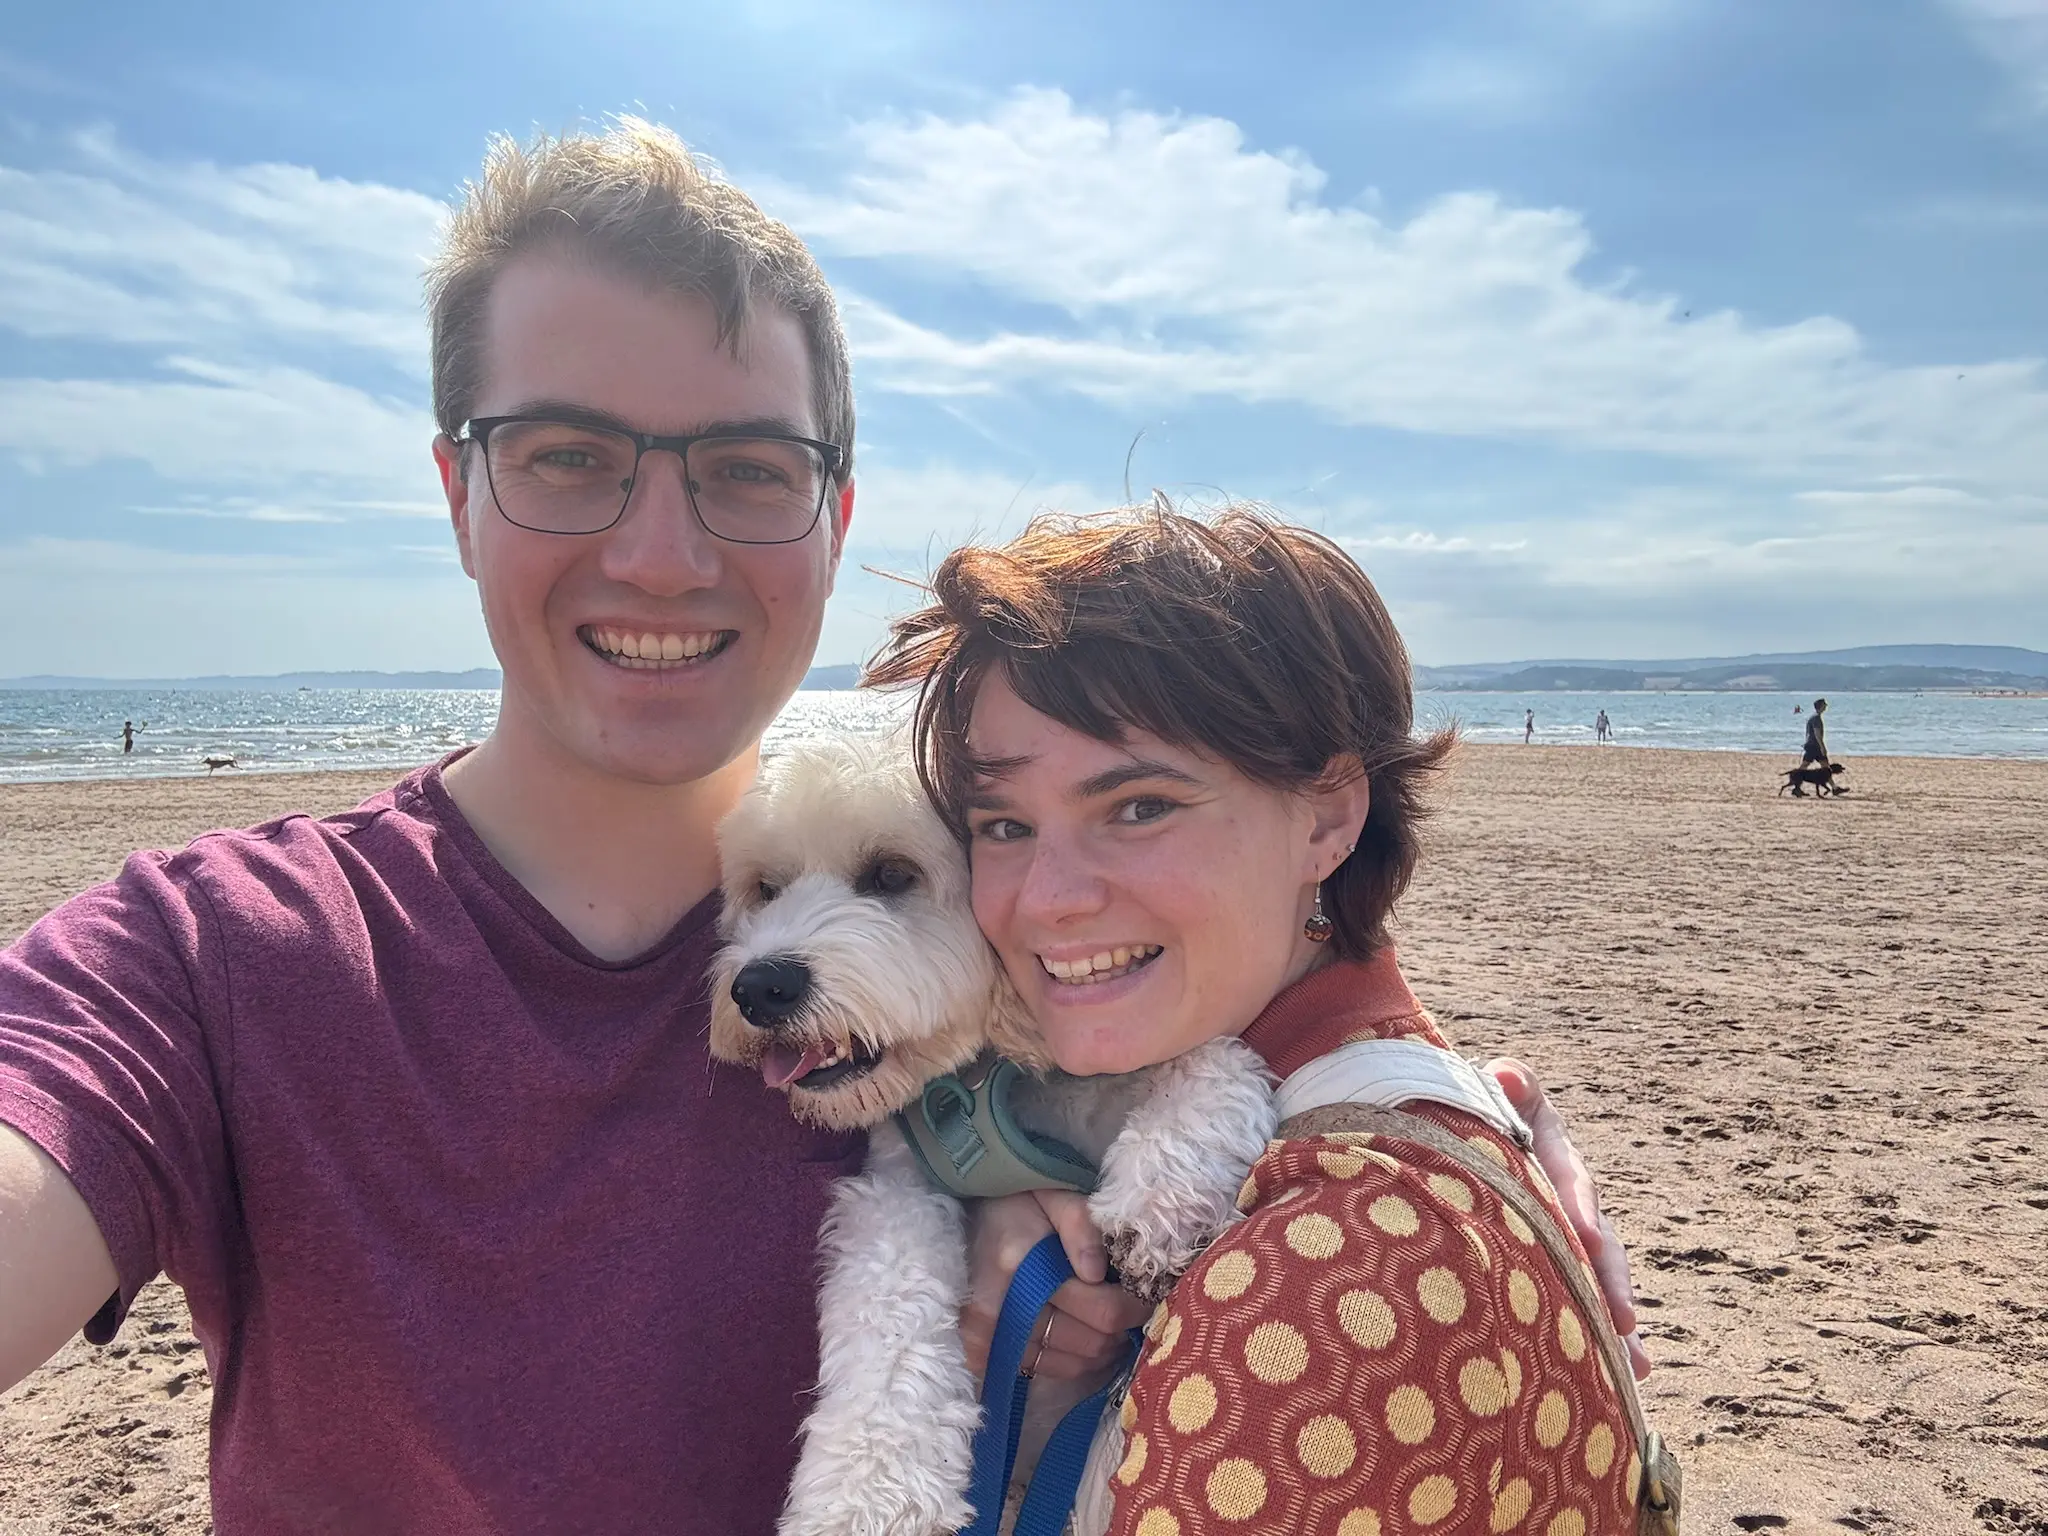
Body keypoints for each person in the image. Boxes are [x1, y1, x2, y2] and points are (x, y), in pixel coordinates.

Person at [1, 125, 1631, 1532]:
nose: (659, 554)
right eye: (566, 456)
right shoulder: (207, 960)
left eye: (745, 467)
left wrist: (1413, 1110)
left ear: (835, 515)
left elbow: (1198, 938)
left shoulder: (994, 925)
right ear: (455, 491)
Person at [870, 505, 1653, 1534]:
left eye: (1139, 807)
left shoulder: (1325, 1286)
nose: (1048, 899)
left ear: (1328, 816)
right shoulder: (1375, 1122)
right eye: (1004, 825)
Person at [1802, 697, 1829, 765]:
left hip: (1813, 745)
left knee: (1825, 764)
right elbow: (1817, 734)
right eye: (1824, 705)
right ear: (1821, 706)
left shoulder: (1814, 717)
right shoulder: (1816, 718)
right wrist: (1822, 747)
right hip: (1814, 746)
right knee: (1805, 765)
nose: (1825, 706)